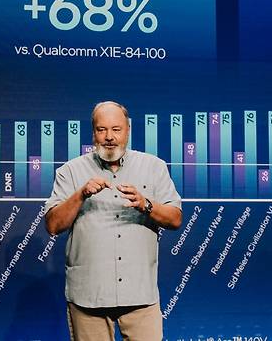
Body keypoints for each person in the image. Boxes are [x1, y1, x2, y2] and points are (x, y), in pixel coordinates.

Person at [45, 101, 183, 341]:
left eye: (116, 129)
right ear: (93, 133)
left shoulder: (154, 167)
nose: (109, 137)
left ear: (128, 130)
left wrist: (146, 204)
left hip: (140, 295)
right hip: (88, 296)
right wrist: (80, 194)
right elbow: (53, 225)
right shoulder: (70, 171)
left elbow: (175, 219)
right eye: (102, 129)